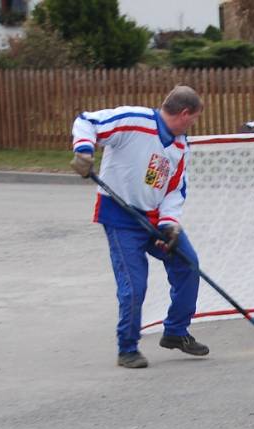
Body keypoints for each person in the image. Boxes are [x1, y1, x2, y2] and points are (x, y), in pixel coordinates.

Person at [70, 85, 209, 369]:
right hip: (121, 218)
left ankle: (175, 331)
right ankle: (128, 348)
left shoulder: (181, 145)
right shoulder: (134, 120)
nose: (192, 125)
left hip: (156, 219)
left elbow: (174, 188)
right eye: (193, 118)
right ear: (184, 114)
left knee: (188, 265)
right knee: (134, 286)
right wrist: (84, 151)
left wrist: (170, 224)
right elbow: (87, 121)